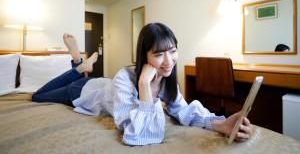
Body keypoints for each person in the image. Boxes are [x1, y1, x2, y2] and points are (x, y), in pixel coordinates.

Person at [32, 23, 253, 146]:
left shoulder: (168, 81)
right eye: (159, 54)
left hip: (105, 85)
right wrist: (144, 84)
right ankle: (79, 66)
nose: (168, 62)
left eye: (173, 52)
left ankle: (80, 66)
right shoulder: (125, 77)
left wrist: (218, 124)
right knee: (38, 96)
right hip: (84, 90)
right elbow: (138, 133)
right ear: (144, 55)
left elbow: (184, 110)